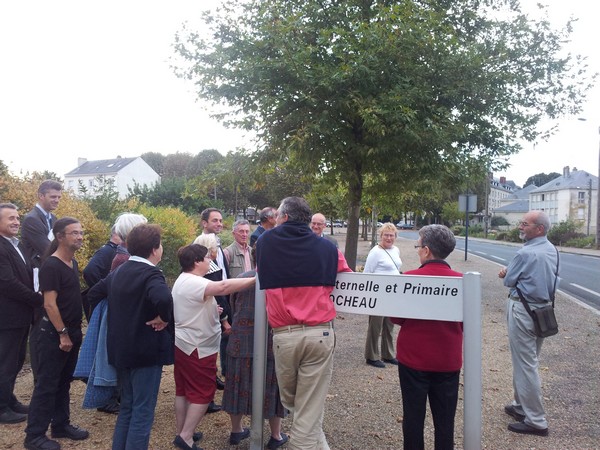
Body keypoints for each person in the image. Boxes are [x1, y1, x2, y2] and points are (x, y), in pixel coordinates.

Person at [256, 196, 352, 450]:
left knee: (301, 405)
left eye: (277, 215)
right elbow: (348, 279)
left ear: (284, 217)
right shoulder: (329, 248)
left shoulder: (265, 242)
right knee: (305, 406)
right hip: (319, 334)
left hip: (284, 336)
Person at [88, 223, 173, 450]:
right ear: (155, 249)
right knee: (142, 411)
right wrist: (164, 318)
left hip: (120, 348)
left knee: (127, 406)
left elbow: (94, 293)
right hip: (145, 352)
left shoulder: (118, 272)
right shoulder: (151, 273)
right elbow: (164, 299)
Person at [171, 244, 256, 450]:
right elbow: (224, 287)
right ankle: (186, 436)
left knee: (183, 391)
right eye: (207, 259)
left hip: (184, 343)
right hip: (198, 346)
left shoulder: (183, 280)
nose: (210, 262)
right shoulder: (194, 282)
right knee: (204, 391)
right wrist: (256, 279)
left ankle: (182, 431)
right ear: (196, 262)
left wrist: (212, 309)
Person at [390, 224, 463, 450]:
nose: (417, 250)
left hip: (414, 359)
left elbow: (396, 319)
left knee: (413, 417)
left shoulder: (410, 279)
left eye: (418, 245)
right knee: (445, 421)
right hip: (447, 360)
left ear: (427, 250)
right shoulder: (462, 281)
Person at [24, 218, 89, 450]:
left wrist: (72, 332)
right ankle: (34, 436)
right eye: (74, 233)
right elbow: (49, 304)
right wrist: (62, 333)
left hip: (71, 330)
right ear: (60, 237)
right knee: (47, 385)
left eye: (81, 232)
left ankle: (60, 425)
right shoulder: (50, 265)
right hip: (53, 334)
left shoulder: (71, 263)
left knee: (63, 382)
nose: (79, 237)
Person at [498, 210, 558, 437]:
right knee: (528, 360)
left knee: (526, 364)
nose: (520, 227)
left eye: (525, 224)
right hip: (542, 311)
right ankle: (520, 405)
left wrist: (505, 272)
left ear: (539, 229)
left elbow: (510, 280)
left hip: (522, 310)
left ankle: (536, 420)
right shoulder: (551, 249)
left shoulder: (525, 253)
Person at [223, 258, 288, 450]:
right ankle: (275, 435)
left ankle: (236, 431)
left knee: (237, 384)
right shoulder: (282, 280)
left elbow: (233, 306)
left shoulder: (242, 278)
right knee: (273, 387)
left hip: (240, 339)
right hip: (270, 339)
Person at [0, 203, 43, 424]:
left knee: (16, 360)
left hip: (20, 313)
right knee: (6, 361)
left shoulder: (15, 245)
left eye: (17, 218)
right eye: (10, 218)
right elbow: (7, 283)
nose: (16, 222)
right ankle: (1, 407)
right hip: (7, 316)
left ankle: (9, 399)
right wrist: (35, 298)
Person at [364, 222, 401, 368]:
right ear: (381, 236)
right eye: (386, 235)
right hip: (377, 294)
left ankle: (388, 354)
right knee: (375, 326)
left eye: (391, 235)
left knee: (389, 325)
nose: (389, 238)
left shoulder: (396, 250)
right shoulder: (375, 251)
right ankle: (371, 356)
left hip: (392, 294)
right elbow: (367, 273)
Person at [81, 225, 121, 321]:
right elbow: (89, 271)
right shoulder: (106, 250)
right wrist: (102, 290)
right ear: (115, 234)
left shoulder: (114, 250)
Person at [20, 180, 62, 268]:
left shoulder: (54, 218)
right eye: (53, 197)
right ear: (41, 196)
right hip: (37, 273)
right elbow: (47, 250)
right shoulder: (31, 220)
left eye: (59, 197)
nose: (57, 200)